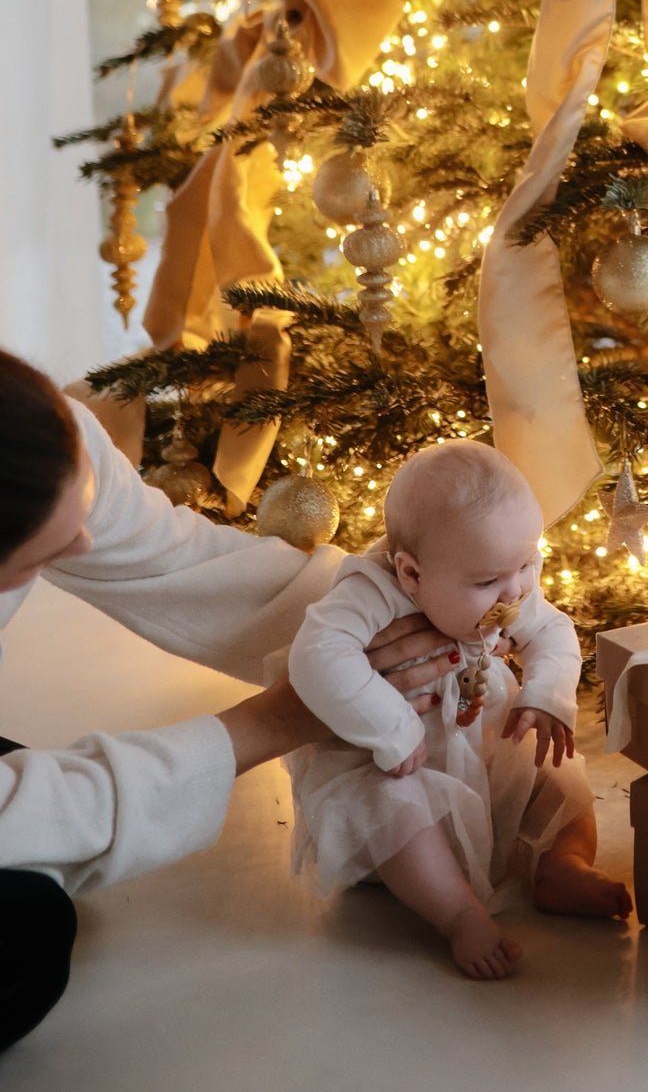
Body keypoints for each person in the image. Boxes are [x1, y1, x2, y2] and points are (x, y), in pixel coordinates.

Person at [0, 349, 455, 1051]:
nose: (82, 543)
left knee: (53, 819)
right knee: (26, 931)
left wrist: (378, 608)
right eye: (36, 557)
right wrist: (277, 718)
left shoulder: (36, 429)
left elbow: (180, 561)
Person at [281, 437, 631, 982]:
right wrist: (391, 728)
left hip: (487, 754)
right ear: (412, 574)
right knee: (389, 801)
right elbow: (316, 655)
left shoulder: (503, 580)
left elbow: (552, 631)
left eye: (527, 564)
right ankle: (458, 913)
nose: (514, 593)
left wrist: (546, 694)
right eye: (489, 581)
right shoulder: (370, 591)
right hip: (397, 764)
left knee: (562, 776)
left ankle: (563, 863)